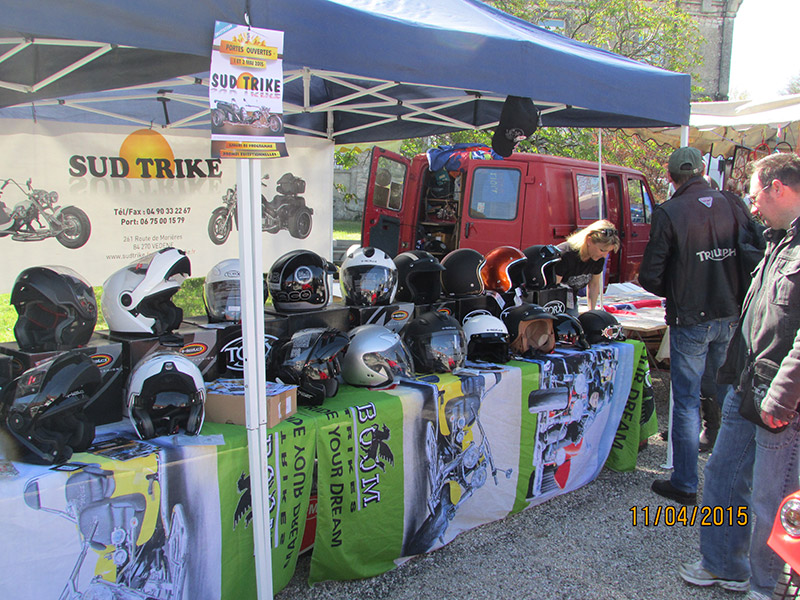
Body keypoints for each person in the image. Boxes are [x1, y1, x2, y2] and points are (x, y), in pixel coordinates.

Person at [679, 153, 800, 599]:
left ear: (777, 188)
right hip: (746, 383)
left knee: (774, 499)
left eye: (754, 196)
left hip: (780, 398)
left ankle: (769, 586)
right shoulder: (777, 239)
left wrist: (782, 399)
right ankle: (723, 563)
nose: (751, 206)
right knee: (723, 477)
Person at [639, 146, 745, 505]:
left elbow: (651, 275)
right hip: (729, 313)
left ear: (670, 178)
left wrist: (681, 284)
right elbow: (753, 253)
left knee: (686, 401)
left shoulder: (669, 211)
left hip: (691, 317)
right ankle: (731, 480)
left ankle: (686, 483)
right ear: (702, 170)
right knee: (728, 393)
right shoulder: (733, 203)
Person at [553, 220, 620, 314]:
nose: (605, 255)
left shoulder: (598, 258)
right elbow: (552, 289)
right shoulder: (565, 255)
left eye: (608, 251)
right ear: (589, 240)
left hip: (570, 300)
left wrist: (592, 312)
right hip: (553, 301)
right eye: (602, 250)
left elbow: (594, 285)